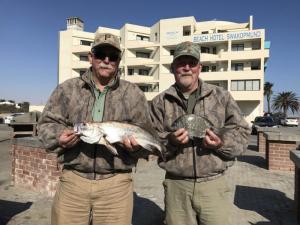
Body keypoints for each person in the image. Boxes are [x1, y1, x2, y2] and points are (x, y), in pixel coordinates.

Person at [38, 33, 151, 225]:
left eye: (112, 56)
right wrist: (59, 137)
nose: (106, 60)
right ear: (91, 57)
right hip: (73, 181)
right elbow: (46, 124)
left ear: (118, 61)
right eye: (100, 54)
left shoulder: (133, 94)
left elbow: (146, 134)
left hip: (117, 185)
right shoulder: (67, 89)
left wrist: (137, 148)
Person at [150, 41, 251, 225]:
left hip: (214, 185)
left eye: (192, 63)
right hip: (176, 186)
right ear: (173, 67)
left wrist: (221, 143)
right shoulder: (159, 102)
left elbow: (243, 133)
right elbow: (152, 142)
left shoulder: (221, 96)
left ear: (199, 67)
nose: (186, 68)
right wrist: (170, 141)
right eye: (181, 63)